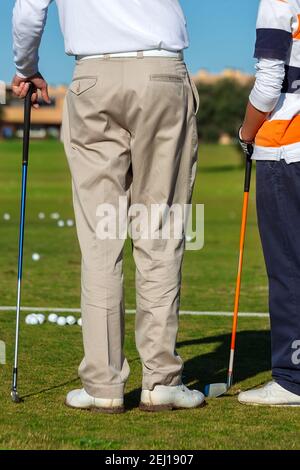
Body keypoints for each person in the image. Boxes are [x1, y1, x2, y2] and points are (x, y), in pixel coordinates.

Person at [12, 0, 204, 412]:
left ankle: (103, 385)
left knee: (102, 238)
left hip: (93, 77)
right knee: (159, 231)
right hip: (162, 74)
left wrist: (26, 67)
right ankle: (162, 381)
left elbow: (29, 9)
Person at [238, 0, 300, 406]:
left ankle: (292, 378)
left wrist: (246, 133)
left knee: (288, 269)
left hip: (286, 148)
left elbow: (268, 82)